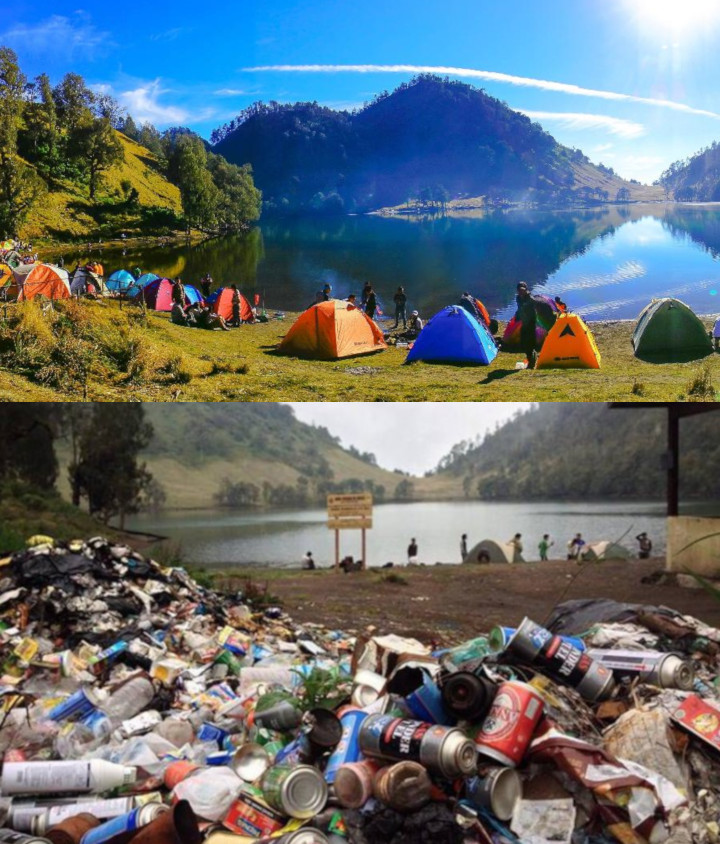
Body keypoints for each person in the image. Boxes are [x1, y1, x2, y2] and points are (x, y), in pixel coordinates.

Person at [515, 282, 537, 369]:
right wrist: (517, 316)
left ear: (526, 290)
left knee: (529, 342)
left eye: (523, 290)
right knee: (523, 342)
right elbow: (519, 308)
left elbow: (534, 302)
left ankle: (531, 363)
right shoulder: (518, 298)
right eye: (519, 290)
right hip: (524, 322)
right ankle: (531, 357)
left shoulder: (530, 298)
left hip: (531, 322)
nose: (521, 292)